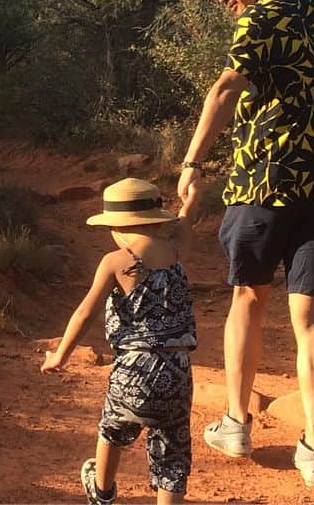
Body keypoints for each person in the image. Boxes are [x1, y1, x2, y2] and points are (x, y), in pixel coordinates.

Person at [179, 0, 314, 488]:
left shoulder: (263, 17)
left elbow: (224, 89)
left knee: (247, 299)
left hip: (263, 185)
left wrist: (191, 164)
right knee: (310, 322)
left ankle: (236, 423)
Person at [40, 177, 197, 505]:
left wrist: (60, 355)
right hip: (178, 367)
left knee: (113, 427)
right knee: (172, 450)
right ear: (158, 219)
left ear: (114, 224)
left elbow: (85, 314)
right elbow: (183, 221)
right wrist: (190, 198)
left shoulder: (117, 261)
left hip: (134, 368)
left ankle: (102, 491)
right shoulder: (175, 247)